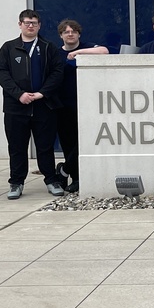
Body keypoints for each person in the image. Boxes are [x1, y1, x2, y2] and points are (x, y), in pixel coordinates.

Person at [0, 9, 66, 200]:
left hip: (44, 106)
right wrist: (19, 94)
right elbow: (2, 73)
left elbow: (57, 72)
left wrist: (42, 93)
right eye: (27, 22)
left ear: (39, 25)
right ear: (20, 24)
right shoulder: (8, 48)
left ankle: (51, 180)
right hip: (16, 107)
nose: (30, 26)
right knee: (17, 147)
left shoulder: (48, 47)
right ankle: (16, 182)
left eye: (34, 23)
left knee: (45, 147)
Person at [55, 19, 108, 194]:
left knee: (84, 141)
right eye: (66, 32)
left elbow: (104, 51)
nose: (70, 34)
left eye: (74, 31)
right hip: (63, 105)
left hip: (86, 104)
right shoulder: (55, 53)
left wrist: (77, 53)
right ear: (61, 35)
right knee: (68, 143)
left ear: (79, 34)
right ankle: (75, 177)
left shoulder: (87, 48)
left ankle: (65, 170)